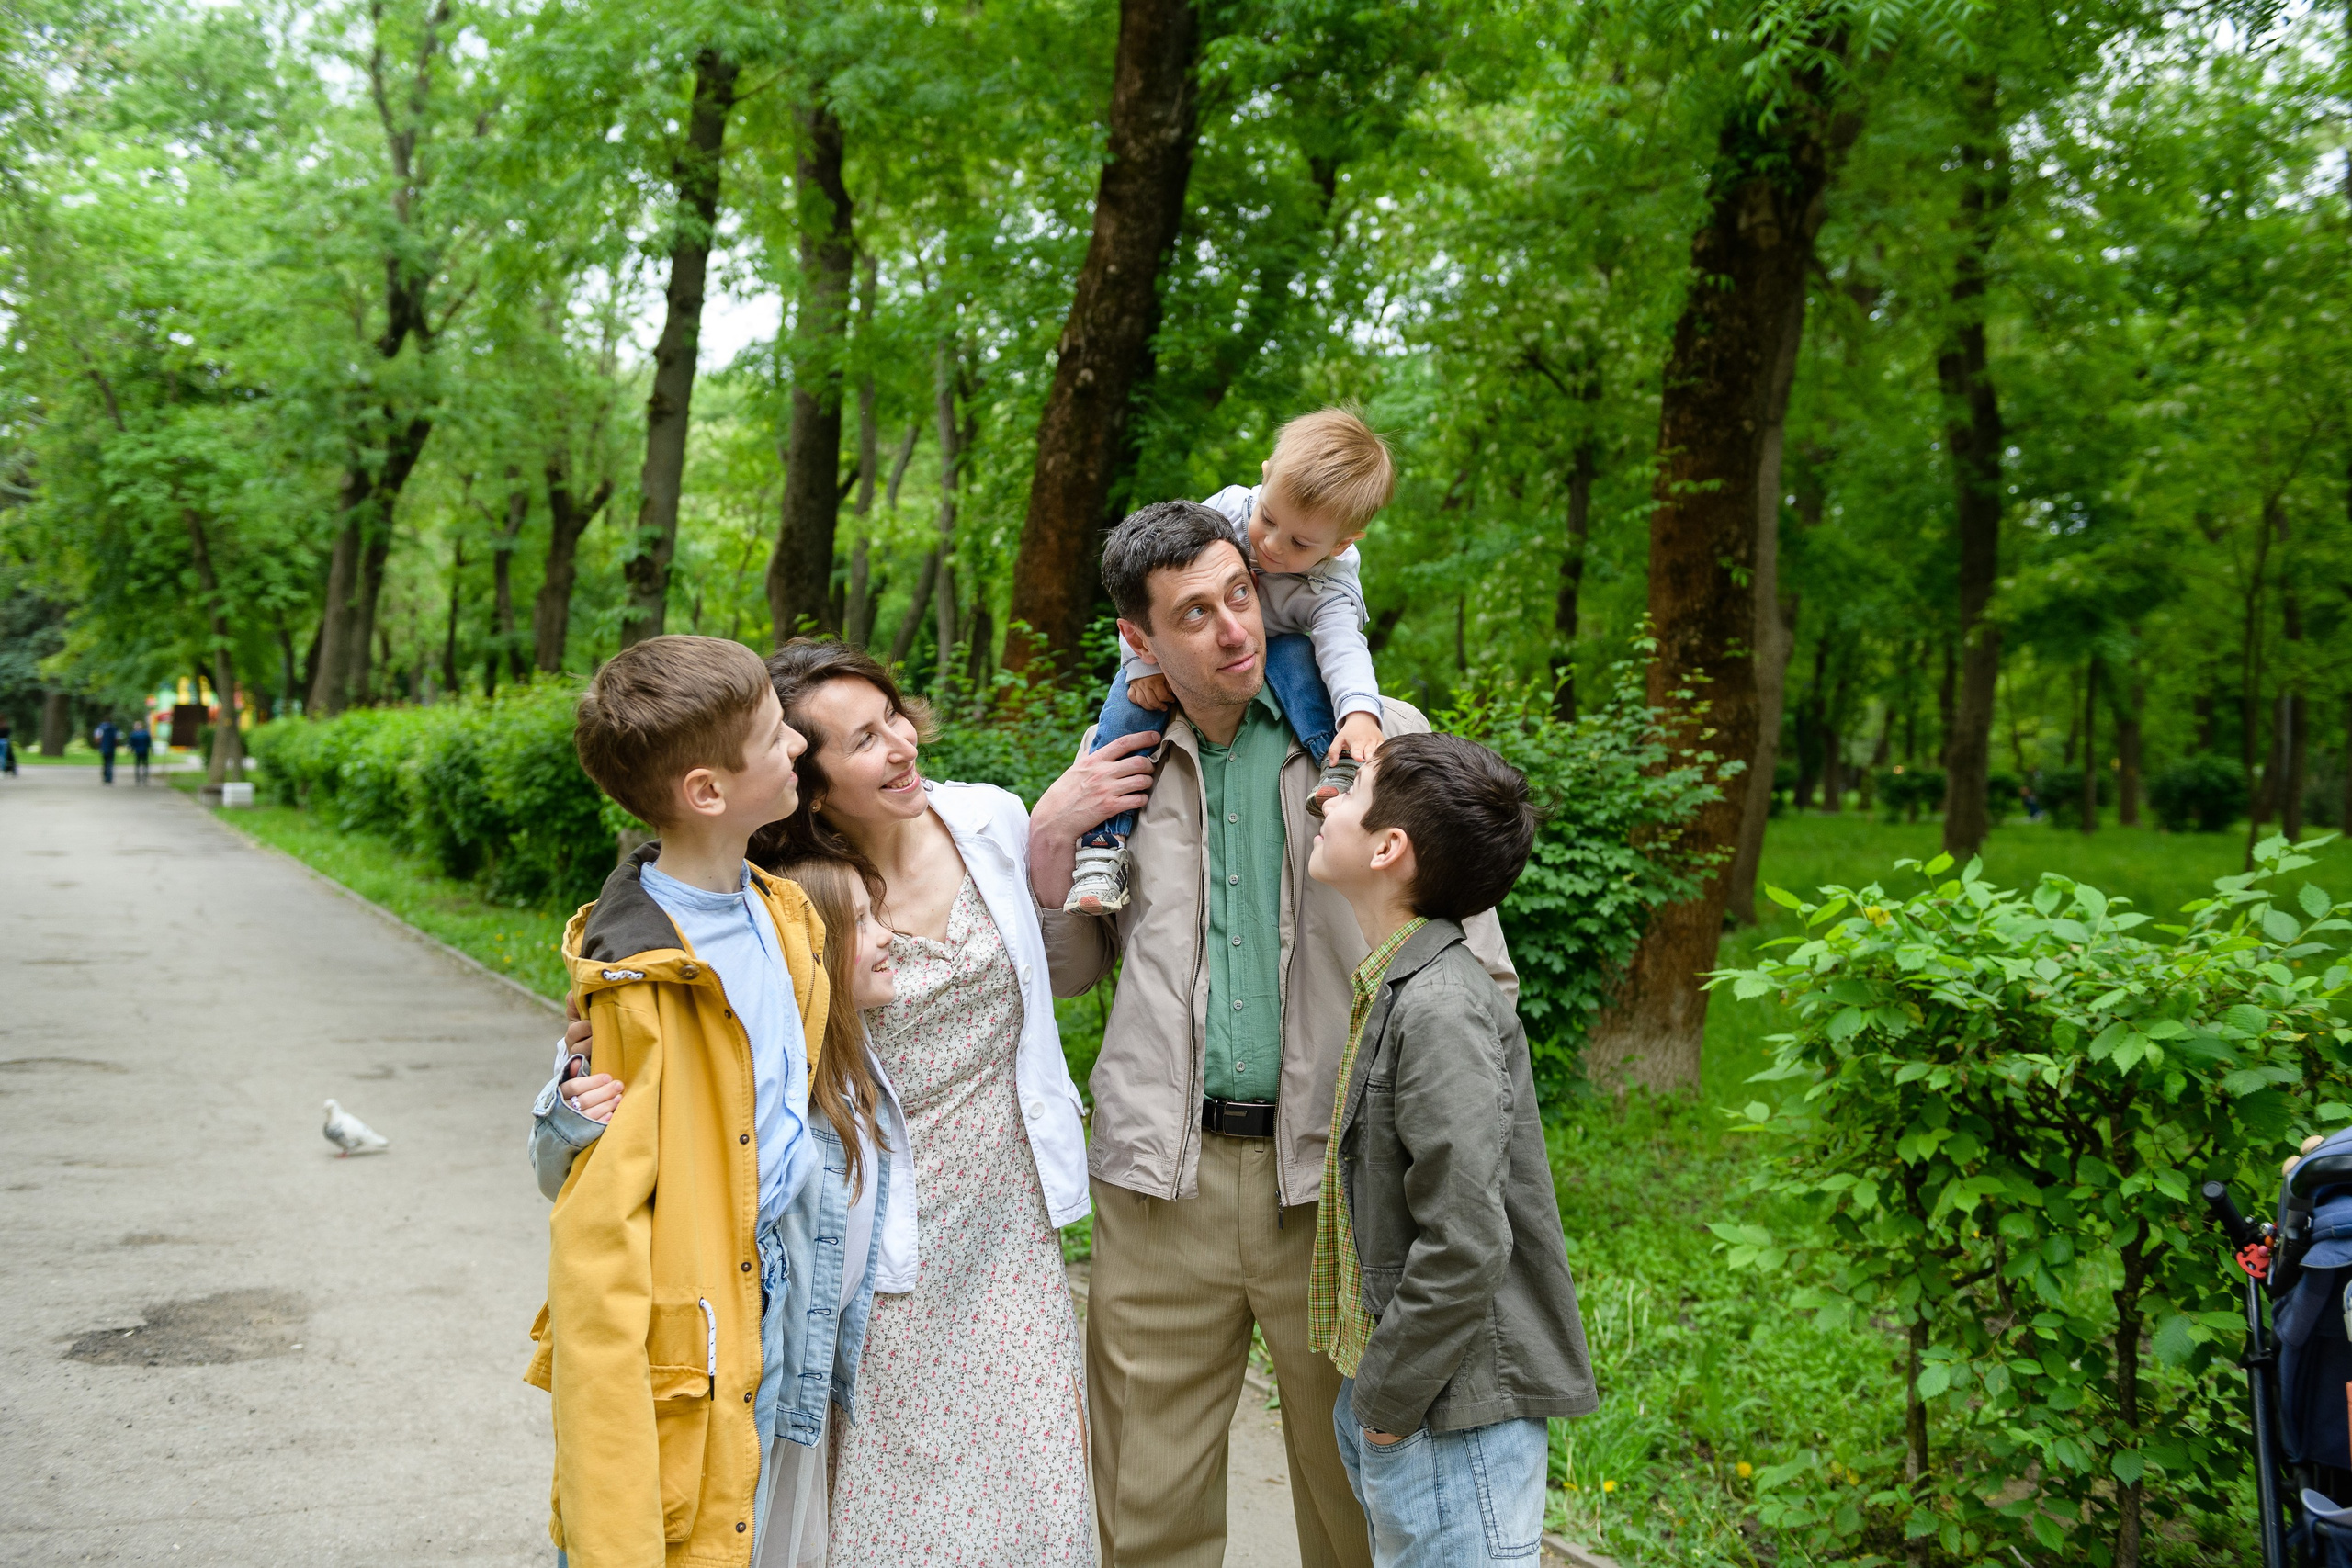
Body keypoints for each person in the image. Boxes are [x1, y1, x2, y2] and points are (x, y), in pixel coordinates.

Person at [1026, 500, 1518, 1568]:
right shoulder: (1116, 759)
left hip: (1336, 1193)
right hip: (1162, 1186)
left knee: (1353, 1513)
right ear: (1139, 642)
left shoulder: (1371, 738)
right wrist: (1051, 834)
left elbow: (1482, 977)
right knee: (1145, 1516)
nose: (1235, 630)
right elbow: (1068, 972)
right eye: (1193, 615)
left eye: (1239, 594)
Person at [556, 639, 1096, 1566]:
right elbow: (672, 1051)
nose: (899, 744)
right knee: (860, 1506)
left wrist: (1057, 838)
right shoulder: (791, 907)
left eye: (894, 717)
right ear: (803, 783)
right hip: (847, 1250)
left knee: (1037, 1492)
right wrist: (570, 1093)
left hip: (999, 1224)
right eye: (853, 741)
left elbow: (1065, 971)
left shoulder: (945, 846)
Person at [520, 634, 827, 1567]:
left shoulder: (784, 913)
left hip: (777, 1283)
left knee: (744, 1515)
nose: (799, 748)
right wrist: (566, 1111)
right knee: (673, 1524)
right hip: (687, 1313)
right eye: (776, 736)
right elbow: (592, 1220)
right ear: (706, 791)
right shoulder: (633, 978)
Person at [535, 852, 914, 1568]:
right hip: (707, 1351)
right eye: (862, 922)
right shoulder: (743, 1074)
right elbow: (571, 1172)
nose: (888, 934)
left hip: (782, 1379)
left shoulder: (849, 1086)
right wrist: (570, 1101)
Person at [1305, 734, 1596, 1566]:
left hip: (1448, 1415)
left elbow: (1466, 1238)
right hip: (1417, 1404)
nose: (1327, 800)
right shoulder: (1401, 984)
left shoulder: (1439, 1007)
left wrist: (1386, 1404)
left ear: (1389, 849)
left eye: (1351, 790)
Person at [1064, 409, 1398, 916]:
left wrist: (1359, 713)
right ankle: (1101, 846)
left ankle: (1336, 764)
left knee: (1300, 660)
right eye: (1268, 518)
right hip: (1176, 657)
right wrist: (1142, 668)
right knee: (1128, 709)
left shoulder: (1333, 585)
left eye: (1300, 543)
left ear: (1342, 543)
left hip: (1272, 652)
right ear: (1264, 476)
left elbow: (1343, 648)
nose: (1268, 543)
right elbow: (1151, 590)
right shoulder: (1227, 512)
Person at [93, 716, 119, 784]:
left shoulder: (100, 728)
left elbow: (97, 738)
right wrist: (115, 745)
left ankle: (105, 777)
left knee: (104, 763)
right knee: (110, 764)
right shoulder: (114, 728)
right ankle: (109, 778)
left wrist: (99, 744)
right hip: (111, 748)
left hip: (103, 748)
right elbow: (116, 738)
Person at [128, 718, 153, 785]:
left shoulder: (133, 734)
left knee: (138, 765)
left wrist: (131, 750)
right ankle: (145, 778)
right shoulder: (145, 733)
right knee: (145, 765)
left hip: (138, 751)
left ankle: (138, 779)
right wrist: (151, 750)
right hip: (144, 751)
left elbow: (131, 743)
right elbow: (149, 742)